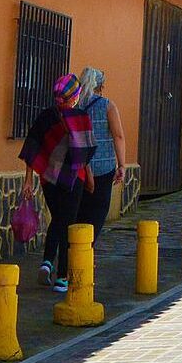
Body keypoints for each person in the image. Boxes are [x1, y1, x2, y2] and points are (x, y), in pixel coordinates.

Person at [19, 74, 95, 292]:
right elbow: (85, 155)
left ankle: (46, 262)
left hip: (48, 179)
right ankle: (62, 277)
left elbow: (32, 147)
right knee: (67, 224)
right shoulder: (80, 118)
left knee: (59, 219)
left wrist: (28, 180)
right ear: (75, 96)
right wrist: (89, 177)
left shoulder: (45, 117)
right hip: (74, 179)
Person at [74, 67, 126, 244]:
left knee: (78, 212)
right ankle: (87, 250)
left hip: (78, 167)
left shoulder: (74, 104)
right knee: (98, 211)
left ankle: (74, 251)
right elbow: (118, 136)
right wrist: (122, 165)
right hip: (103, 167)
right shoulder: (107, 105)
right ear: (101, 86)